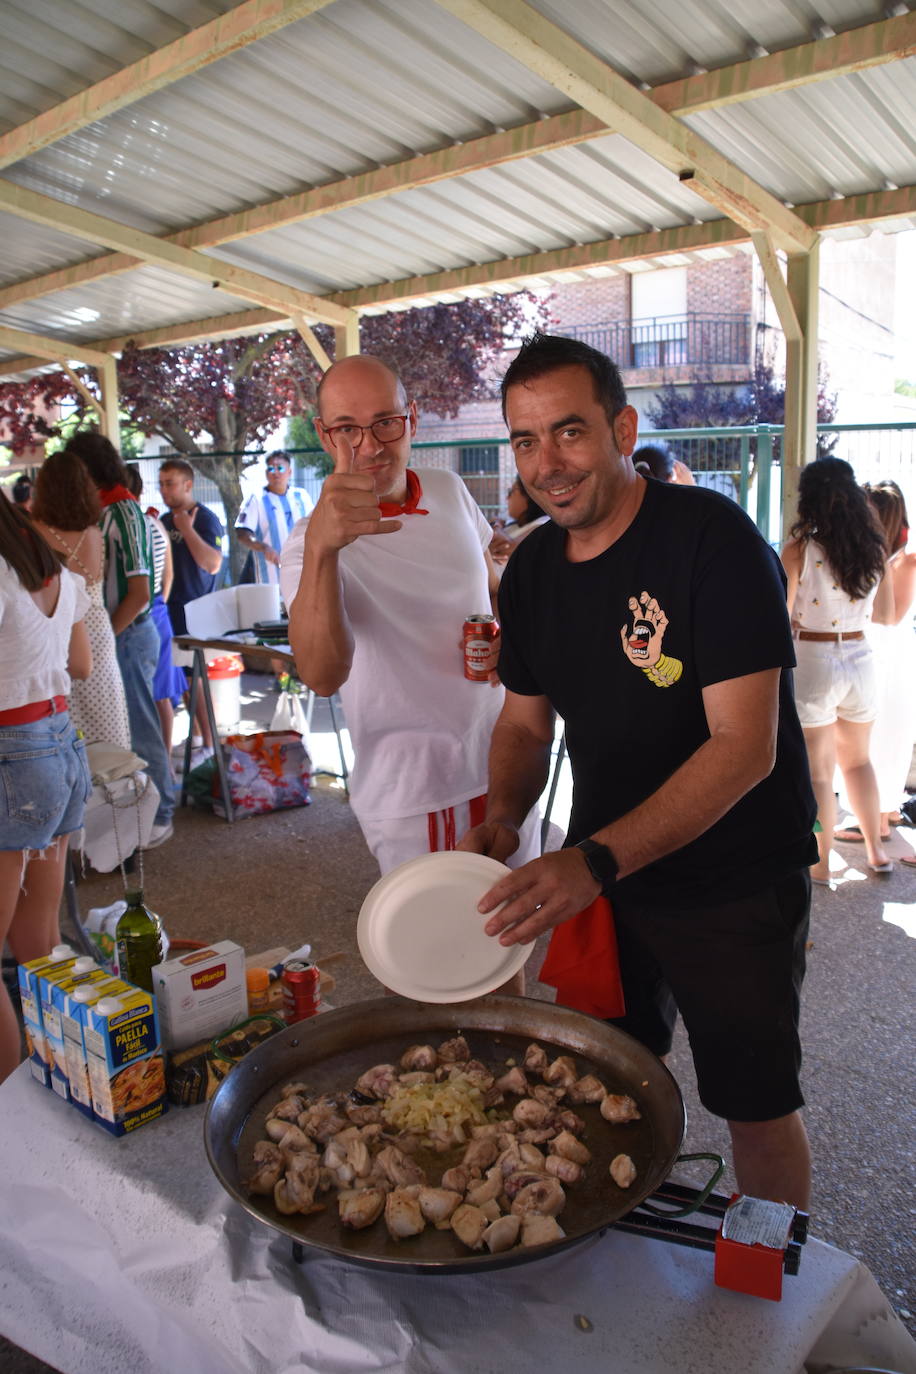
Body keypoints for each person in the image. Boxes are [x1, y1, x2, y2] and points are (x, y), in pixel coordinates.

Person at [459, 332, 817, 1209]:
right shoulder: (535, 564)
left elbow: (745, 747)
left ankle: (780, 1296)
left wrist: (595, 860)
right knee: (599, 1074)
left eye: (570, 432)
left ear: (621, 429)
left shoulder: (711, 541)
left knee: (754, 1103)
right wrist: (506, 814)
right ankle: (617, 1249)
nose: (548, 463)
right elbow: (523, 719)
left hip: (732, 880)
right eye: (525, 440)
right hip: (607, 884)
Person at [279, 353, 540, 879]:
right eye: (348, 428)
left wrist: (504, 637)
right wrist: (325, 551)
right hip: (417, 789)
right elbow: (322, 675)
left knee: (510, 944)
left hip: (505, 756)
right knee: (448, 953)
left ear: (412, 419)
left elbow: (491, 587)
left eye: (385, 423)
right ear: (324, 435)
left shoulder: (446, 489)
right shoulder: (307, 543)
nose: (370, 444)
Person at [0, 493, 92, 1082]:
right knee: (40, 941)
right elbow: (79, 664)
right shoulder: (55, 570)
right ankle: (78, 1080)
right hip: (60, 745)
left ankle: (12, 1110)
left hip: (15, 754)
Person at [781, 458, 893, 881]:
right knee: (859, 762)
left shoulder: (799, 550)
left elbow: (781, 613)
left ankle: (822, 865)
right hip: (861, 660)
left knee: (818, 772)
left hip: (813, 660)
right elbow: (886, 614)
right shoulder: (874, 546)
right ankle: (876, 851)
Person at [64, 431, 175, 847]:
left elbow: (140, 591)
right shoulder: (104, 510)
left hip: (127, 635)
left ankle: (161, 814)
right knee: (130, 731)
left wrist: (104, 637)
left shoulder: (122, 511)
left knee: (143, 732)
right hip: (120, 635)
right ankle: (135, 820)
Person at [30, 451, 131, 752]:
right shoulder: (95, 533)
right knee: (107, 720)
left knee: (65, 725)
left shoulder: (35, 534)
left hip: (56, 629)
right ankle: (115, 791)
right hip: (99, 630)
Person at [837, 481, 916, 860]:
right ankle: (880, 812)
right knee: (878, 735)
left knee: (882, 735)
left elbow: (892, 617)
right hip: (877, 653)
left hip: (887, 655)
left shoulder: (901, 562)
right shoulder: (881, 559)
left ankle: (877, 817)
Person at [158, 458, 224, 760]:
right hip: (169, 610)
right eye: (160, 484)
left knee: (195, 678)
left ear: (188, 484)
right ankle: (197, 737)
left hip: (195, 612)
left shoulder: (205, 519)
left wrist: (187, 529)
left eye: (169, 483)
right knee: (182, 679)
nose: (164, 490)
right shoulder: (163, 519)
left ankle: (211, 745)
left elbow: (212, 564)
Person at [124, 465, 187, 774]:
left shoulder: (131, 526)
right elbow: (169, 574)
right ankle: (165, 756)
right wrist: (160, 601)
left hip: (142, 614)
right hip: (160, 609)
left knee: (151, 694)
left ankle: (158, 762)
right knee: (163, 694)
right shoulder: (155, 524)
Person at [236, 450, 314, 586]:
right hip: (270, 580)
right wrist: (264, 548)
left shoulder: (302, 496)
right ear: (266, 473)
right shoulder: (256, 499)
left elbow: (315, 527)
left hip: (303, 574)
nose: (275, 472)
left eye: (280, 468)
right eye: (271, 468)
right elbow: (242, 533)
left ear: (289, 472)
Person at [489, 477, 549, 566]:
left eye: (511, 492)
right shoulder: (517, 522)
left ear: (529, 496)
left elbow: (507, 548)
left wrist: (497, 528)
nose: (507, 498)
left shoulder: (544, 523)